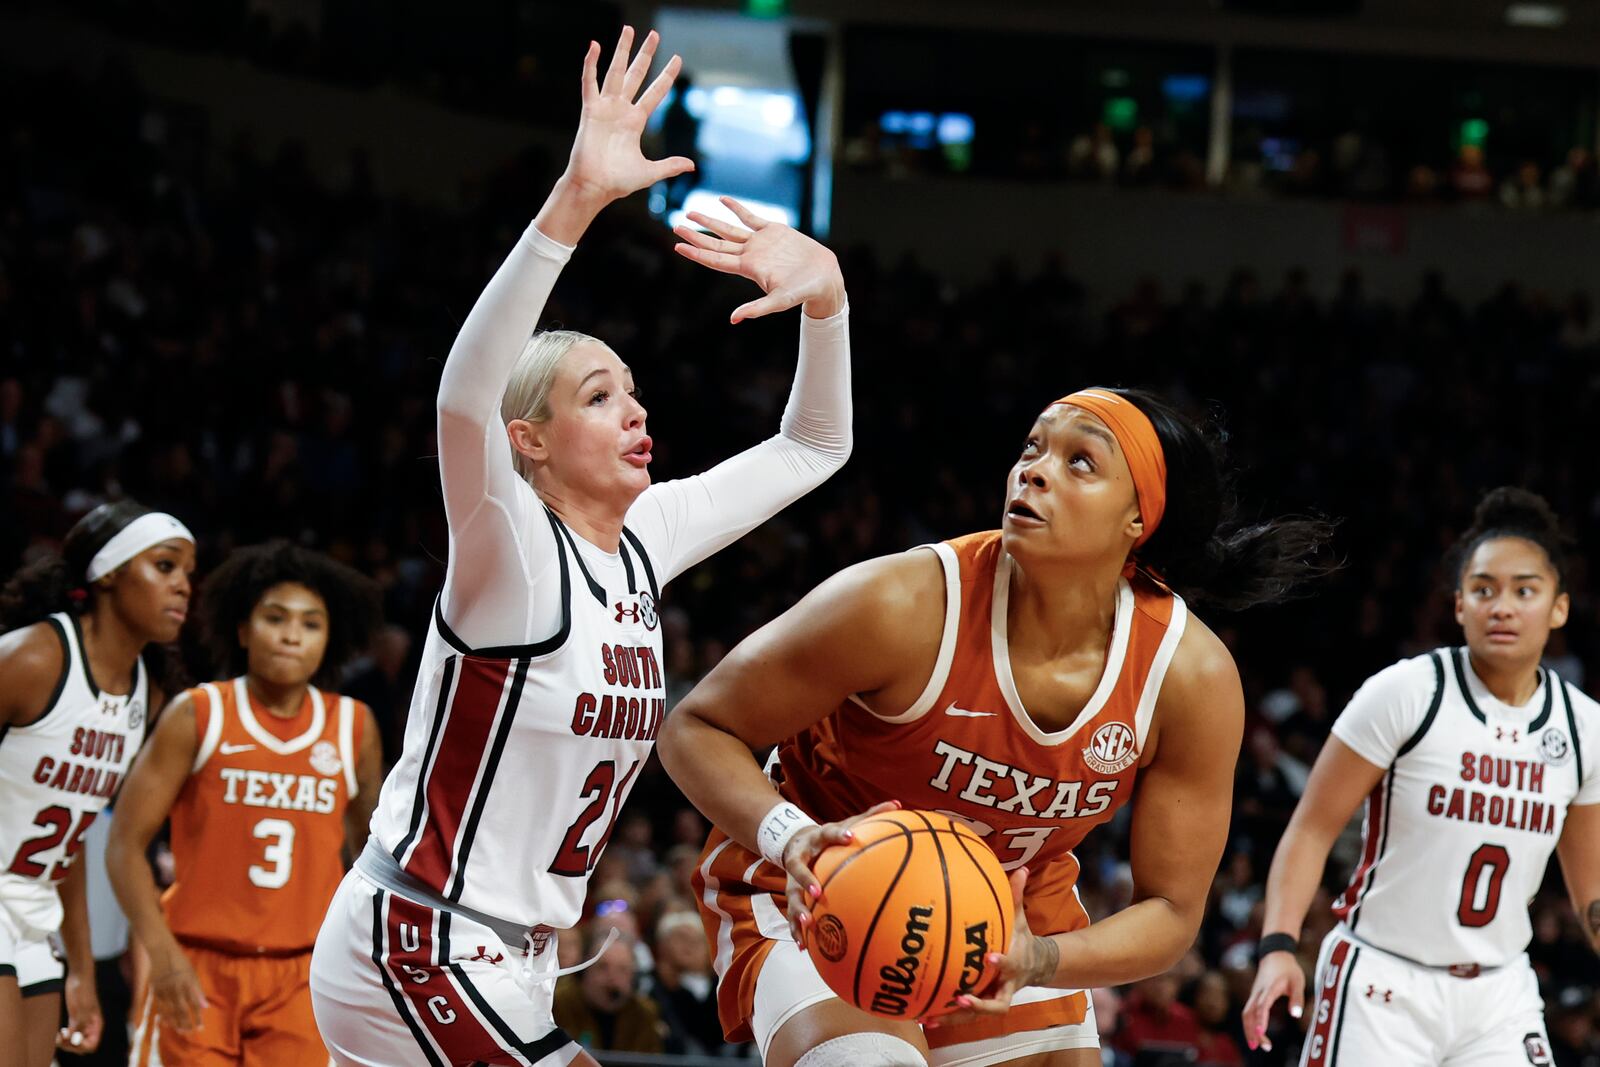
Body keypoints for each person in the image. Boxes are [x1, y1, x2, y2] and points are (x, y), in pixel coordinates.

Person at [309, 25, 854, 1067]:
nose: (635, 409)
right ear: (532, 443)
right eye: (599, 396)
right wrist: (574, 203)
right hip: (418, 940)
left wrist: (827, 298)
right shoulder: (508, 549)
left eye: (635, 392)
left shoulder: (643, 540)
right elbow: (462, 397)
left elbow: (814, 445)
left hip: (512, 956)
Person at [658, 388, 1333, 1067]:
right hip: (819, 879)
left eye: (1080, 462)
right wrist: (789, 836)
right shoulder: (901, 604)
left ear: (1137, 519)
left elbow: (1172, 910)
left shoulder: (1188, 677)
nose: (1033, 470)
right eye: (1032, 449)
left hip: (1007, 910)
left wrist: (1041, 956)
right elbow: (696, 725)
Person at [1242, 487, 1600, 1065]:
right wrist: (1278, 947)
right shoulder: (1405, 692)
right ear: (1459, 605)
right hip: (1383, 982)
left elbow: (1593, 890)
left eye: (1524, 591)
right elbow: (1310, 829)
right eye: (1483, 589)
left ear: (1559, 607)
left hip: (1499, 993)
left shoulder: (1585, 728)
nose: (1501, 606)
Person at [108, 540, 384, 1065]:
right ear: (242, 630)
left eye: (310, 624)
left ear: (328, 642)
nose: (289, 635)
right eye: (274, 618)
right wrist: (160, 955)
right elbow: (123, 844)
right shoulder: (199, 713)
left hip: (304, 975)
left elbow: (373, 862)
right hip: (196, 966)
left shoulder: (354, 726)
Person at [0, 501, 195, 1065]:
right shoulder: (31, 659)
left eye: (188, 572)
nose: (183, 585)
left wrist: (80, 968)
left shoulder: (145, 693)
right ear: (108, 572)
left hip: (34, 914)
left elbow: (71, 835)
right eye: (165, 566)